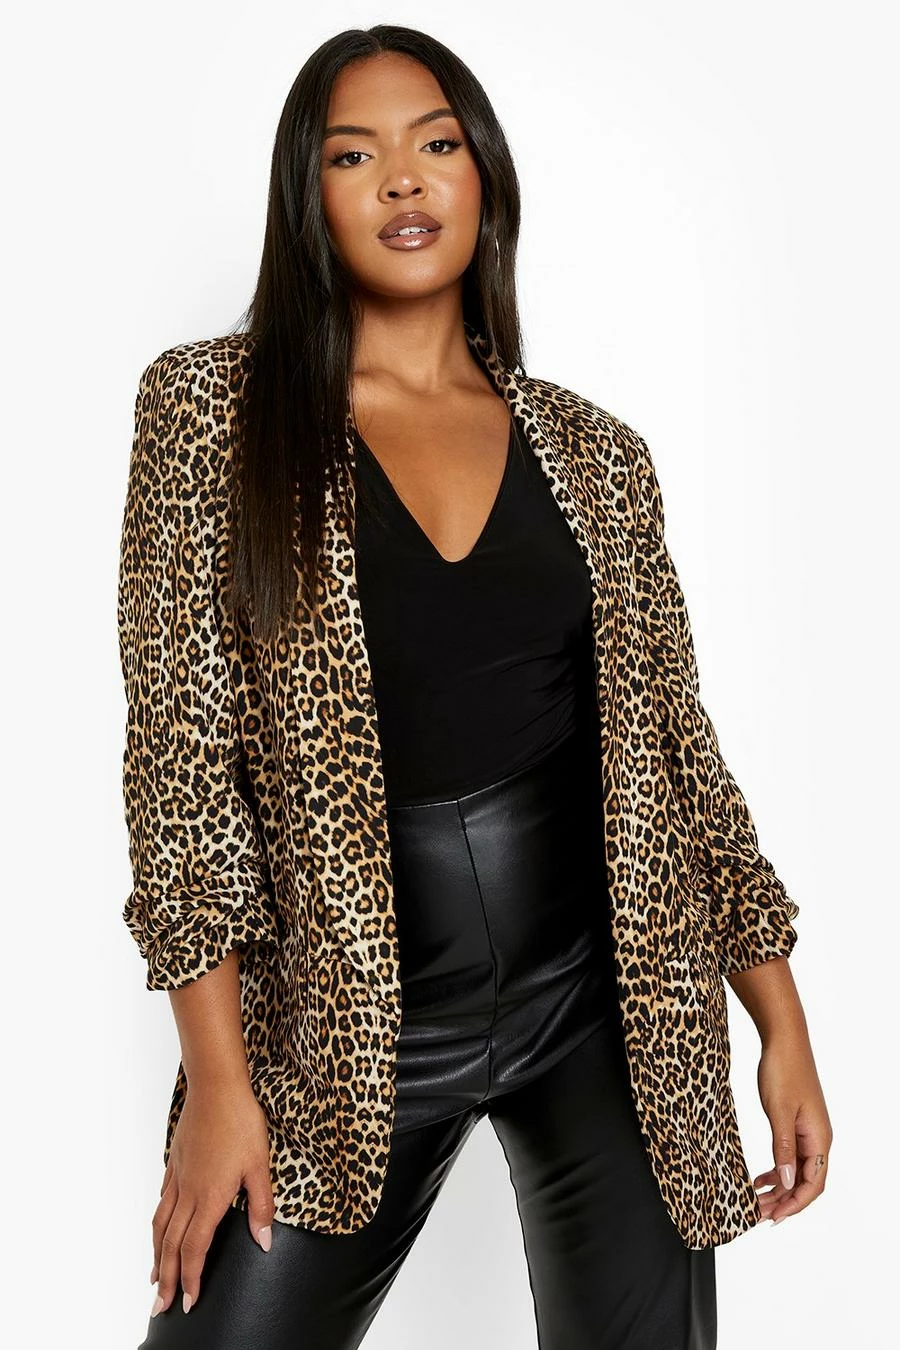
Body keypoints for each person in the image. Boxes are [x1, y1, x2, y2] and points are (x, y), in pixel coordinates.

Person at [117, 24, 832, 1350]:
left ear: (484, 174)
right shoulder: (213, 413)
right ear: (307, 198)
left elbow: (680, 754)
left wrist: (777, 1018)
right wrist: (217, 1079)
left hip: (604, 1004)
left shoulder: (597, 455)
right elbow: (179, 767)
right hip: (347, 1026)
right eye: (354, 156)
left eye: (436, 143)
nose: (404, 180)